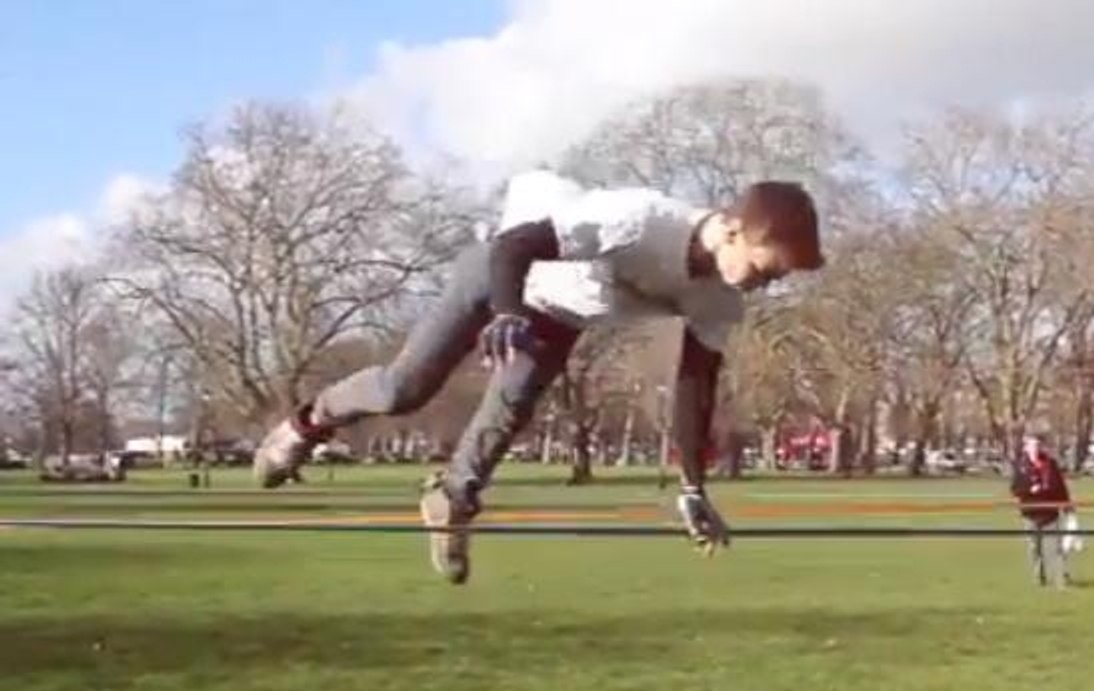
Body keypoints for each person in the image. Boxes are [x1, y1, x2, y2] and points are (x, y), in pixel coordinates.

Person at [253, 169, 825, 584]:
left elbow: (693, 387)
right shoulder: (638, 219)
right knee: (404, 390)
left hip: (557, 317)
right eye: (760, 269)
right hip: (499, 276)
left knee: (510, 410)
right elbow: (516, 244)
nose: (758, 285)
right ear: (730, 229)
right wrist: (505, 312)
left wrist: (693, 488)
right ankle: (306, 424)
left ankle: (451, 502)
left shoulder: (719, 301)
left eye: (774, 280)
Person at [1010, 435, 1075, 588]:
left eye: (1038, 445)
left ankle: (1061, 578)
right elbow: (1014, 489)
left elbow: (1061, 486)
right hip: (1030, 513)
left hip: (1050, 512)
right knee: (1035, 548)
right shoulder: (1021, 466)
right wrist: (1029, 490)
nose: (1035, 449)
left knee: (1056, 547)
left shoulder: (1051, 464)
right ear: (1026, 448)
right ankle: (1039, 578)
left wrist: (1067, 506)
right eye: (1032, 446)